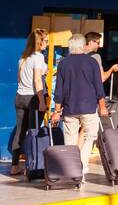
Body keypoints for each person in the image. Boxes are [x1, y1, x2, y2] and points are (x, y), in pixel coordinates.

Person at [51, 33, 106, 180]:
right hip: (88, 107)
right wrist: (103, 106)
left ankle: (70, 168)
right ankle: (82, 165)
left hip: (69, 109)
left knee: (70, 139)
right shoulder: (92, 62)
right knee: (89, 136)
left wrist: (57, 111)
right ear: (83, 46)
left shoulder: (63, 63)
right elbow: (98, 87)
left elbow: (59, 90)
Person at [10, 28, 48, 175]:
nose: (46, 43)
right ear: (39, 42)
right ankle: (32, 166)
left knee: (20, 132)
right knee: (34, 132)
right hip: (33, 98)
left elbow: (19, 79)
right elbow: (37, 80)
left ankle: (14, 165)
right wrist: (42, 101)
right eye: (45, 41)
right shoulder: (38, 57)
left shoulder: (23, 58)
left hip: (20, 96)